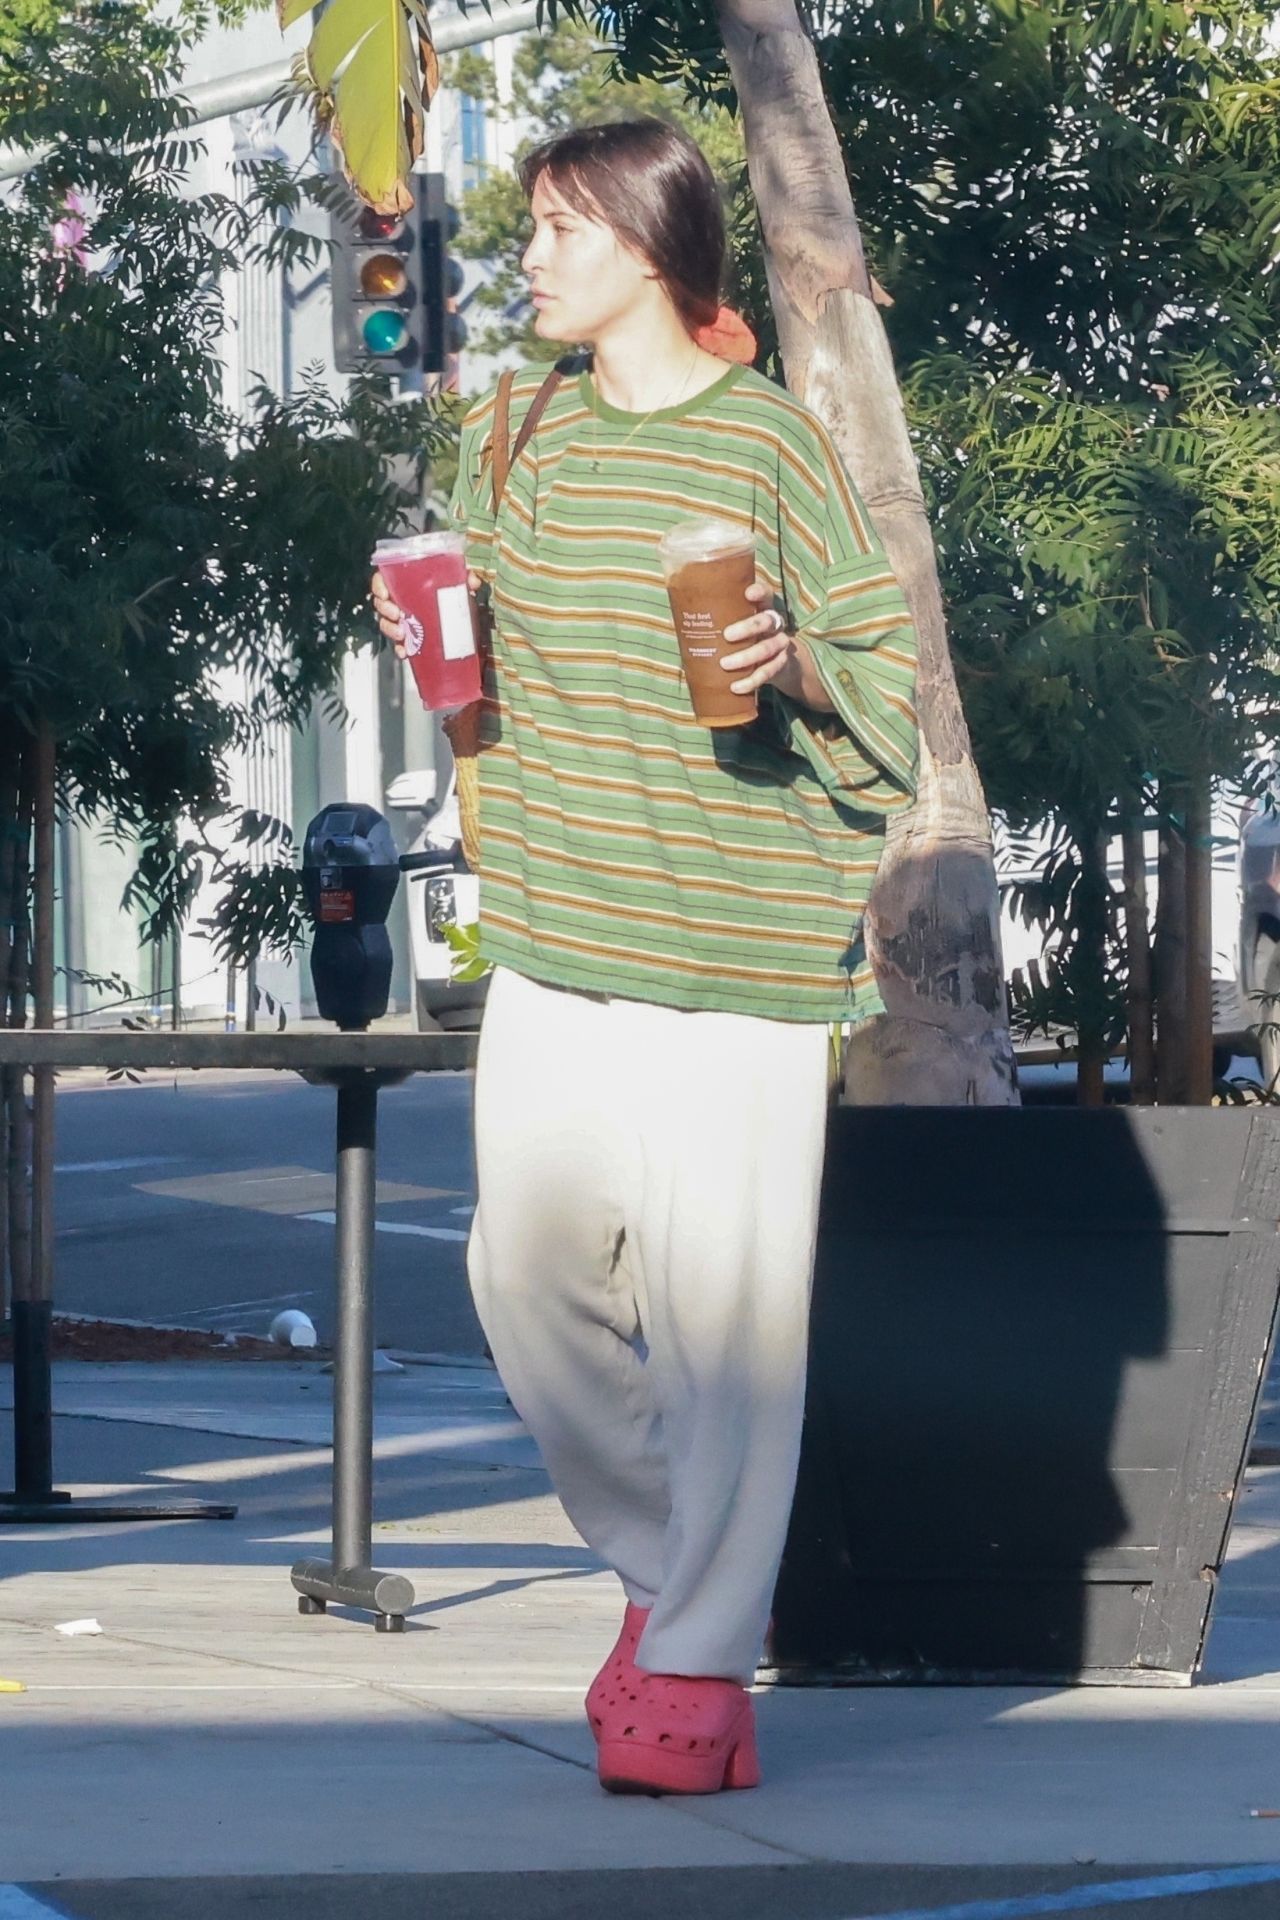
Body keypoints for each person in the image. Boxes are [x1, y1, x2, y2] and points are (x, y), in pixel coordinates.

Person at [371, 118, 919, 1796]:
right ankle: (673, 1571)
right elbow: (471, 657)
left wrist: (794, 662)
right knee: (523, 1282)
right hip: (555, 921)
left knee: (724, 1329)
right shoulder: (508, 427)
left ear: (649, 244)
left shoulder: (766, 445)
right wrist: (428, 640)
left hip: (740, 953)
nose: (527, 257)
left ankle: (692, 1662)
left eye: (557, 228)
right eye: (530, 227)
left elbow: (886, 680)